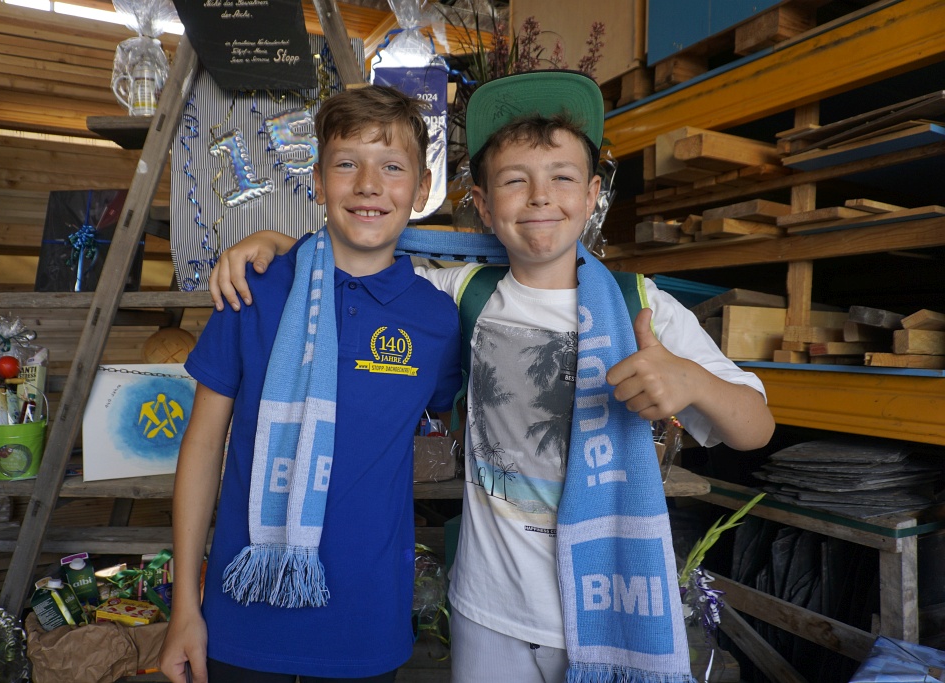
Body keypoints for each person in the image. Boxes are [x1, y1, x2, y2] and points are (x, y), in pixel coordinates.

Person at [208, 71, 776, 683]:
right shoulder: (461, 294)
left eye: (562, 178)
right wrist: (276, 246)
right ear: (482, 204)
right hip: (489, 612)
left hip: (611, 606)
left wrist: (691, 381)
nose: (539, 198)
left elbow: (755, 430)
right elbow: (356, 257)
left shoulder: (644, 308)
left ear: (592, 195)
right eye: (514, 180)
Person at [158, 85, 463, 683]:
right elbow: (202, 445)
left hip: (366, 622)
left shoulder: (435, 319)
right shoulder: (252, 290)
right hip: (241, 614)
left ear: (422, 188)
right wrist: (184, 607)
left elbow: (447, 423)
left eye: (392, 167)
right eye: (347, 164)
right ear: (318, 183)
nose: (368, 185)